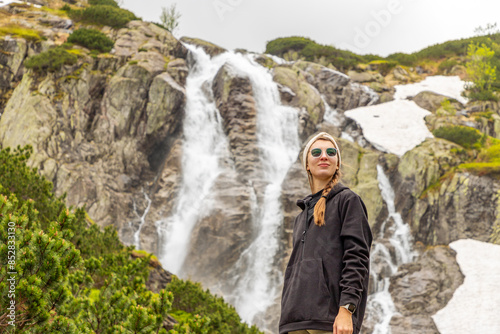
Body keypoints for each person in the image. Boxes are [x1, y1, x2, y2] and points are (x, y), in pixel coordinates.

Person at [279, 132, 372, 334]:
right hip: (295, 321)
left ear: (337, 163)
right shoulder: (300, 217)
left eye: (331, 152)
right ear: (307, 164)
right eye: (316, 152)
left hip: (329, 320)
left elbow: (357, 258)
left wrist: (347, 309)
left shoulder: (348, 201)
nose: (324, 156)